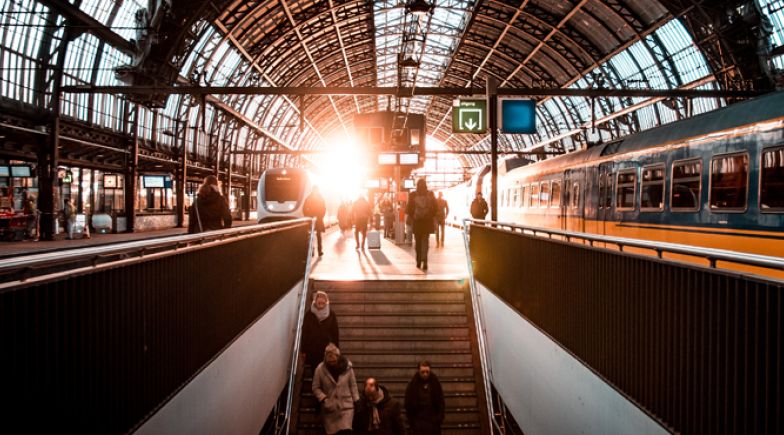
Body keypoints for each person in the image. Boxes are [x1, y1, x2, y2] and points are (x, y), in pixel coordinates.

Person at [312, 344, 360, 435]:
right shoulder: (320, 369)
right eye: (330, 362)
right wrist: (323, 398)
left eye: (334, 361)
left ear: (338, 357)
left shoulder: (347, 367)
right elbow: (315, 387)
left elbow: (353, 385)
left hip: (346, 407)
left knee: (346, 431)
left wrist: (356, 400)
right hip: (330, 409)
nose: (332, 363)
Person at [404, 361, 445, 435]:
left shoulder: (435, 383)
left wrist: (439, 419)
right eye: (422, 372)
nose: (425, 374)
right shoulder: (413, 384)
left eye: (427, 372)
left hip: (432, 422)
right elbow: (408, 404)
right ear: (419, 371)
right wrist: (412, 421)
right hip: (418, 422)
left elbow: (441, 401)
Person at [302, 291, 340, 370]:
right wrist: (303, 350)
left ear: (326, 301)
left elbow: (335, 332)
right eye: (319, 300)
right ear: (315, 301)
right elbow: (305, 332)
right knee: (315, 371)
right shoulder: (309, 314)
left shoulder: (331, 314)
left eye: (323, 300)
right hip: (313, 348)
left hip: (327, 348)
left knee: (328, 370)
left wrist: (336, 347)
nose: (321, 302)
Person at [406, 179, 437, 271]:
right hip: (427, 223)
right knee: (425, 242)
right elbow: (435, 208)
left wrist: (414, 216)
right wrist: (429, 215)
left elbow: (408, 209)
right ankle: (425, 262)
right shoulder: (430, 194)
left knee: (418, 243)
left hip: (417, 222)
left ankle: (418, 261)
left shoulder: (413, 195)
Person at [304, 186, 327, 256]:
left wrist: (320, 216)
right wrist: (308, 216)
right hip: (314, 219)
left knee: (315, 235)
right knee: (315, 235)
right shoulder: (319, 198)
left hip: (317, 219)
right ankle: (315, 251)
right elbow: (324, 208)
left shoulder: (309, 198)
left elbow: (324, 208)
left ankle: (318, 251)